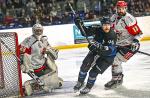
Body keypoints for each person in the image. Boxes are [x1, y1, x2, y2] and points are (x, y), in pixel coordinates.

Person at [104, 1, 143, 89]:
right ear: (116, 8)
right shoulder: (113, 17)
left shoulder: (129, 19)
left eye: (122, 8)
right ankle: (117, 79)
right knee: (112, 59)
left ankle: (116, 80)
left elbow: (139, 33)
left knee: (115, 59)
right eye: (119, 8)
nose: (120, 10)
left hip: (130, 46)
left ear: (125, 8)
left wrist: (135, 41)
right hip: (119, 44)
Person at [73, 16, 117, 94]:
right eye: (104, 25)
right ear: (101, 25)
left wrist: (96, 48)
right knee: (84, 66)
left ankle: (88, 87)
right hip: (96, 51)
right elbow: (85, 32)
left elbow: (108, 52)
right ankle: (80, 82)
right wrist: (79, 24)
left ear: (110, 25)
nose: (106, 27)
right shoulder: (97, 29)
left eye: (108, 24)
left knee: (93, 72)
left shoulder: (112, 35)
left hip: (107, 57)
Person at [20, 23, 63, 96]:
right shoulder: (28, 41)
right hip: (34, 67)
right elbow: (21, 52)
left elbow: (52, 52)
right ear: (33, 31)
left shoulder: (44, 39)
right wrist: (23, 64)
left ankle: (45, 82)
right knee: (51, 81)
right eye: (37, 31)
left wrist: (52, 51)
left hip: (44, 63)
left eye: (40, 30)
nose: (39, 32)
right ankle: (30, 85)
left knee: (55, 77)